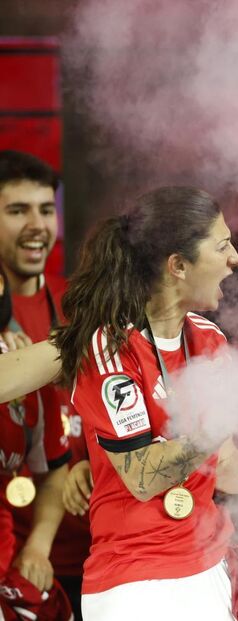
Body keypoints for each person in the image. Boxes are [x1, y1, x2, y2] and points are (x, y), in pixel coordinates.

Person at [50, 186, 238, 620]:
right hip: (138, 582)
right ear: (178, 265)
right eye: (222, 246)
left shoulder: (209, 340)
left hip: (209, 565)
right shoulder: (111, 344)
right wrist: (222, 419)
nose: (235, 259)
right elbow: (141, 475)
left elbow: (226, 468)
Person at [0, 149, 87, 618]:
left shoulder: (80, 305)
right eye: (17, 211)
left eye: (45, 209)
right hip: (15, 566)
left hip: (93, 552)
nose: (36, 224)